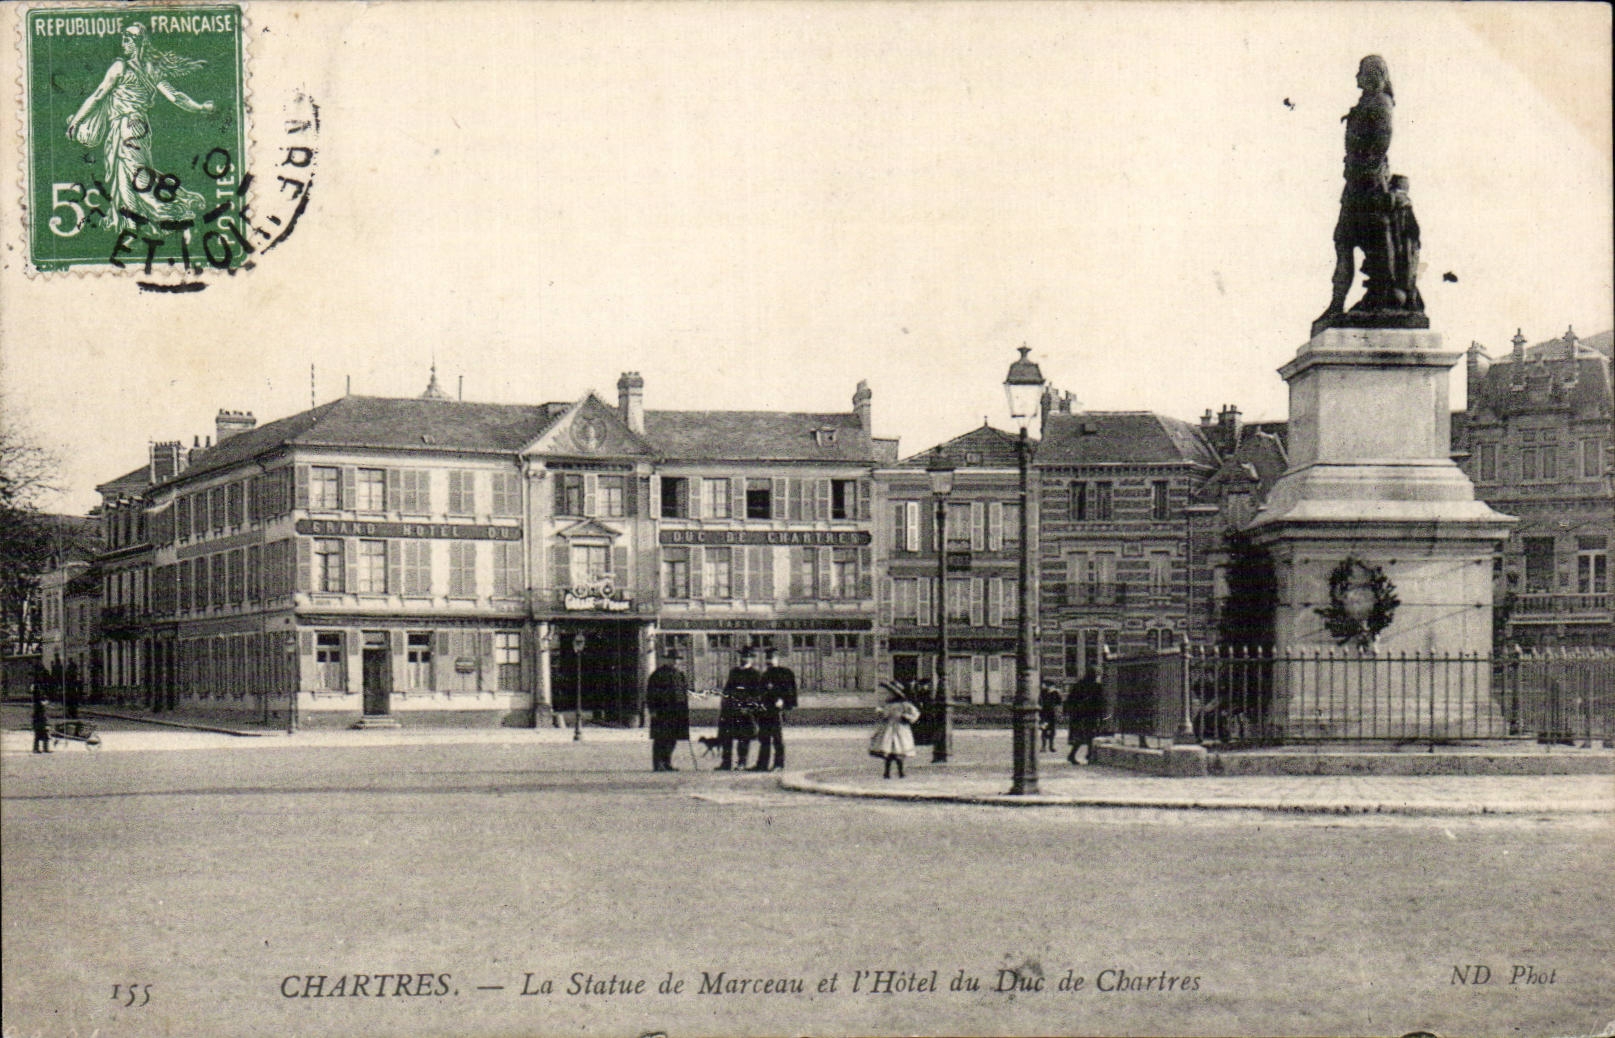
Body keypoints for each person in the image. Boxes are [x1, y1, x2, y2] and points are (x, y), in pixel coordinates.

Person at [65, 24, 216, 237]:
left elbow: (98, 95)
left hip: (127, 127)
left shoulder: (120, 67)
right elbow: (176, 96)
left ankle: (177, 206)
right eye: (123, 39)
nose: (123, 43)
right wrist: (199, 107)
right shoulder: (152, 70)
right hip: (140, 129)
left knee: (137, 177)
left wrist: (76, 121)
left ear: (138, 43)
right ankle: (130, 224)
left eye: (127, 39)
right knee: (125, 176)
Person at [1315, 55, 1420, 332]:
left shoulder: (1381, 104)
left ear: (1374, 74)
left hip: (1369, 185)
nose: (1356, 77)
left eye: (1361, 72)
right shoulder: (1366, 103)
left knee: (1376, 244)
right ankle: (1337, 305)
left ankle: (1384, 298)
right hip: (1355, 185)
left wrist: (1366, 175)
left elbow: (1381, 144)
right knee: (1343, 241)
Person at [750, 646, 798, 771]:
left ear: (777, 659)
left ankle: (778, 765)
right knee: (764, 738)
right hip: (765, 711)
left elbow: (790, 691)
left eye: (771, 658)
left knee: (777, 738)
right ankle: (762, 765)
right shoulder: (765, 675)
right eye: (767, 659)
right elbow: (760, 692)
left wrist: (783, 701)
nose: (769, 661)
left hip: (776, 711)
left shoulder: (785, 673)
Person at [645, 647, 692, 772]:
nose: (675, 662)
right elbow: (651, 693)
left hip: (677, 712)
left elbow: (683, 693)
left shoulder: (680, 675)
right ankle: (658, 764)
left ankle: (667, 762)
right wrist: (652, 709)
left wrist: (684, 710)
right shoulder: (658, 674)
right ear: (667, 660)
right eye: (672, 659)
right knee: (661, 738)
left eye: (677, 660)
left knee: (673, 738)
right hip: (662, 711)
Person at [716, 647, 759, 771]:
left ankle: (741, 762)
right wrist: (724, 701)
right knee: (726, 736)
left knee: (743, 738)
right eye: (742, 656)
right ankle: (726, 762)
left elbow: (757, 694)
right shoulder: (734, 672)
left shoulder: (755, 674)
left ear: (751, 658)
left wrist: (748, 707)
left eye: (747, 656)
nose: (744, 659)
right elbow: (728, 689)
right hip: (730, 710)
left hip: (744, 711)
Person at [870, 682, 921, 779]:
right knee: (888, 751)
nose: (888, 695)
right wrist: (881, 713)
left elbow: (915, 714)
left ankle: (901, 771)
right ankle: (887, 772)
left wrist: (906, 717)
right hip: (889, 729)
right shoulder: (888, 705)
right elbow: (885, 715)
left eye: (890, 693)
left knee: (899, 750)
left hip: (900, 729)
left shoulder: (904, 705)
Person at [1066, 667, 1104, 766]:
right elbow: (1099, 702)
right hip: (1090, 714)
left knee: (1081, 735)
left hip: (1078, 715)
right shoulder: (1097, 687)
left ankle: (1076, 754)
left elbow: (1070, 699)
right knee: (1090, 735)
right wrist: (1100, 715)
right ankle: (1087, 755)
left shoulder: (1078, 685)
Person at [1039, 681, 1063, 753]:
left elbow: (1059, 703)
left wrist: (1059, 714)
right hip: (1044, 714)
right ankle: (1043, 746)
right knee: (1044, 730)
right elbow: (1040, 702)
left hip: (1051, 714)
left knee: (1052, 731)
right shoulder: (1043, 692)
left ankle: (1051, 746)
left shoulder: (1055, 693)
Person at [32, 690, 53, 754]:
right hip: (39, 724)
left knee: (44, 736)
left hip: (39, 723)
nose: (47, 703)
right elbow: (41, 717)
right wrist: (45, 725)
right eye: (46, 701)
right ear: (43, 701)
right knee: (39, 736)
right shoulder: (40, 707)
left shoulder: (40, 706)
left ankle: (44, 748)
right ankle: (37, 749)